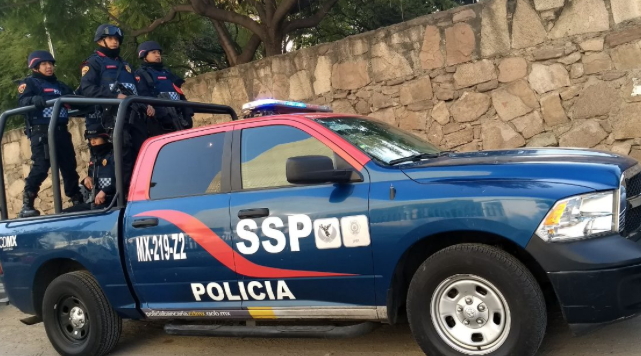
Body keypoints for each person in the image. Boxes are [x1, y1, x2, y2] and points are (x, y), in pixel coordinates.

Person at [79, 24, 154, 194]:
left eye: (117, 39)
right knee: (124, 156)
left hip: (134, 115)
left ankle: (144, 191)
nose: (115, 42)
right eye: (111, 39)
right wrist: (114, 97)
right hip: (112, 117)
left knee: (143, 153)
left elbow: (135, 90)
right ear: (101, 41)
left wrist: (146, 104)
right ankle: (125, 195)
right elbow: (88, 89)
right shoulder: (93, 63)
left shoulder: (125, 64)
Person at [17, 50, 83, 218]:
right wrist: (32, 100)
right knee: (41, 166)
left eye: (50, 64)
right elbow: (22, 101)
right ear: (35, 67)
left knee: (69, 166)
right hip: (42, 132)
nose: (49, 67)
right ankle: (27, 203)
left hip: (61, 131)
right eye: (44, 64)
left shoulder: (60, 85)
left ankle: (76, 199)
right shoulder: (30, 83)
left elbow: (75, 99)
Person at [135, 40, 193, 136]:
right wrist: (161, 114)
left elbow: (180, 94)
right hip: (159, 122)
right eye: (153, 52)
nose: (157, 55)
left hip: (179, 119)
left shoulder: (168, 73)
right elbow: (144, 97)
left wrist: (187, 113)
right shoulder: (141, 74)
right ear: (144, 55)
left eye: (158, 52)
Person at [82, 123, 116, 210]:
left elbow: (124, 179)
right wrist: (87, 180)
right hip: (95, 201)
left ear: (104, 138)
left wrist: (105, 191)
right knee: (64, 214)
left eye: (96, 138)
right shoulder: (94, 158)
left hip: (113, 202)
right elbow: (93, 181)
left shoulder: (115, 155)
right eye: (90, 139)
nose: (92, 142)